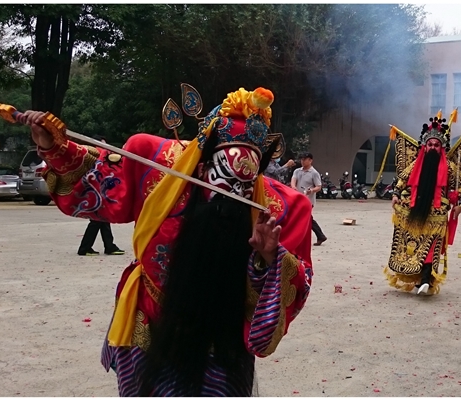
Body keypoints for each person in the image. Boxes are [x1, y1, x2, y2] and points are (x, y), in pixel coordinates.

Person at [21, 86, 313, 396]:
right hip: (150, 320)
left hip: (221, 335)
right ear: (202, 169)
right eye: (224, 180)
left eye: (245, 186)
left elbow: (297, 280)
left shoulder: (281, 210)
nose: (233, 199)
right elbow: (95, 176)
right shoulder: (159, 166)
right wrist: (55, 146)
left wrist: (271, 258)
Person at [385, 115, 461, 296]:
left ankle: (425, 278)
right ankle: (418, 277)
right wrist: (396, 194)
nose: (432, 148)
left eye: (436, 145)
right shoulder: (416, 163)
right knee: (412, 244)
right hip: (413, 207)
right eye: (429, 145)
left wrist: (459, 201)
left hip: (437, 213)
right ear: (425, 146)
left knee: (432, 245)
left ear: (441, 148)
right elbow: (402, 179)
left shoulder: (450, 167)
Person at [77, 136, 125, 256]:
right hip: (96, 191)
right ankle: (84, 248)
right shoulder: (97, 155)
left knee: (103, 219)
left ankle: (109, 246)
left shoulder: (90, 155)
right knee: (96, 220)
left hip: (98, 190)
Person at [291, 152, 327, 246]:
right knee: (305, 218)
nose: (302, 161)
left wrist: (311, 191)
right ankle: (320, 236)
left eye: (304, 159)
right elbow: (293, 180)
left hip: (308, 200)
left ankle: (318, 236)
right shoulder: (297, 171)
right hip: (297, 198)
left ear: (310, 160)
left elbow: (318, 187)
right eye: (301, 159)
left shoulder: (314, 173)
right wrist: (293, 187)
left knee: (306, 218)